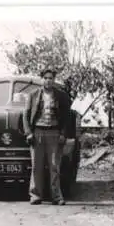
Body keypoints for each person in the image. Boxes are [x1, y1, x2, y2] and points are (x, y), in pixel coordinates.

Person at [23, 68, 71, 205]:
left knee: (54, 166)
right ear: (42, 79)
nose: (48, 81)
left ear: (54, 80)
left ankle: (56, 196)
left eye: (51, 78)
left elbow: (67, 117)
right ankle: (35, 195)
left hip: (54, 133)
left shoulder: (61, 96)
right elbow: (25, 115)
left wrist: (63, 133)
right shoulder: (33, 95)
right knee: (36, 165)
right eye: (46, 78)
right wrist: (29, 133)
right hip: (37, 133)